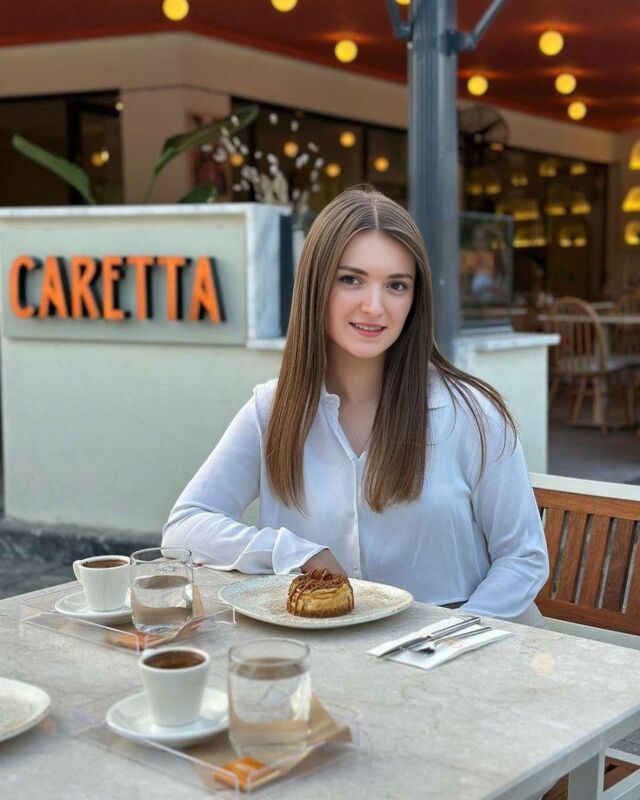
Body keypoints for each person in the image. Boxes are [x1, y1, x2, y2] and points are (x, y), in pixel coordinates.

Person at [163, 185, 549, 625]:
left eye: (396, 285)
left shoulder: (474, 414)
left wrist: (448, 636)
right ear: (316, 286)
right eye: (351, 279)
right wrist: (297, 553)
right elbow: (186, 526)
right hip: (326, 651)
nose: (374, 306)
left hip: (462, 645)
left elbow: (523, 558)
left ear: (415, 299)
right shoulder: (272, 409)